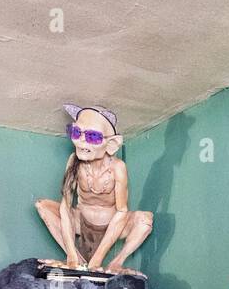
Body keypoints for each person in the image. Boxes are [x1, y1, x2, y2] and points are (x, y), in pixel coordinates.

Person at [35, 104, 153, 275]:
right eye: (76, 133)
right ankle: (77, 263)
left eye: (92, 136)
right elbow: (65, 207)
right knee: (42, 205)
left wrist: (97, 261)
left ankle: (115, 264)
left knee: (145, 221)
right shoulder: (73, 160)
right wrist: (71, 258)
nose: (81, 141)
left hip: (113, 226)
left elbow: (121, 212)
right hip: (81, 223)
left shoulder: (118, 167)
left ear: (111, 144)